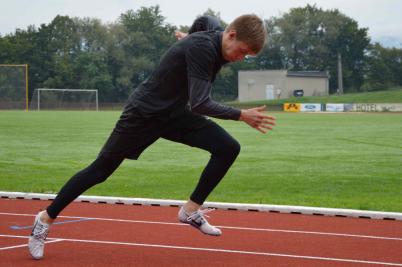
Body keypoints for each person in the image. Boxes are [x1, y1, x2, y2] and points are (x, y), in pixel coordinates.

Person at [28, 14, 276, 260]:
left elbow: (204, 19)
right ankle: (45, 218)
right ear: (231, 35)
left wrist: (186, 38)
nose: (241, 58)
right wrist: (241, 114)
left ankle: (190, 210)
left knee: (228, 148)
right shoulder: (203, 49)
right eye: (242, 51)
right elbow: (200, 103)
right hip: (143, 114)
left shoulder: (214, 33)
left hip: (174, 114)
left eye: (247, 56)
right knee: (100, 170)